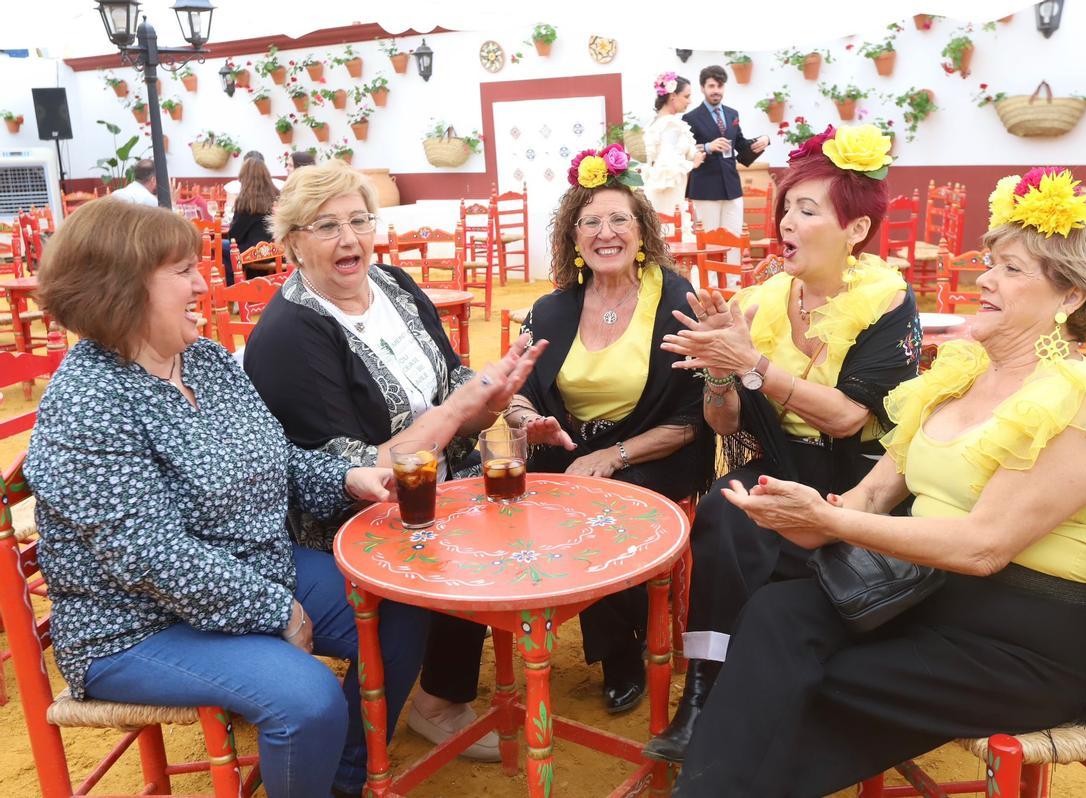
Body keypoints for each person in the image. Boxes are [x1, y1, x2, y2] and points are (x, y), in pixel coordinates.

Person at [672, 167, 1086, 796]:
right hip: (920, 594)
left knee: (809, 679)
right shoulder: (961, 375)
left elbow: (984, 546)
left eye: (1011, 269)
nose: (985, 278)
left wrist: (830, 521)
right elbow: (868, 496)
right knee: (776, 614)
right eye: (992, 261)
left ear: (1072, 299)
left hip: (1020, 642)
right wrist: (793, 512)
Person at [24, 198, 529, 797]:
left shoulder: (205, 360)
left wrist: (346, 477)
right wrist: (273, 610)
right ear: (120, 288)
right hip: (135, 626)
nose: (202, 281)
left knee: (406, 596)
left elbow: (278, 457)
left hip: (255, 566)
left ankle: (339, 778)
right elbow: (145, 555)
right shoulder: (87, 400)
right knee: (306, 700)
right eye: (182, 270)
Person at [644, 124, 920, 763]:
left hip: (859, 479)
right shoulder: (763, 299)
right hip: (781, 461)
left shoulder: (886, 300)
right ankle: (705, 689)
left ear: (855, 231)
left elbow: (851, 417)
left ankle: (774, 689)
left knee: (761, 545)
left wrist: (757, 365)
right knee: (722, 505)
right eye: (785, 208)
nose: (785, 222)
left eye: (806, 209)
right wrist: (718, 369)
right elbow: (723, 423)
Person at [244, 159, 530, 762]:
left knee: (512, 501)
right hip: (350, 516)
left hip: (431, 483)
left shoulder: (395, 283)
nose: (350, 239)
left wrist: (508, 403)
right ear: (292, 243)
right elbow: (358, 468)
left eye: (359, 220)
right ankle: (424, 708)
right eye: (326, 227)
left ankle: (439, 692)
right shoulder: (290, 334)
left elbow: (452, 375)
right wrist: (460, 411)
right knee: (472, 528)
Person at [502, 144, 715, 713]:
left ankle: (621, 648)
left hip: (656, 447)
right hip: (573, 447)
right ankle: (535, 608)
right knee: (522, 491)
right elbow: (514, 387)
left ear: (642, 230)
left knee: (601, 502)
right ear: (572, 238)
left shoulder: (676, 300)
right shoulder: (552, 307)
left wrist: (615, 454)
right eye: (589, 221)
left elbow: (693, 418)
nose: (605, 232)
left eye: (619, 218)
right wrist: (531, 421)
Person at [682, 64, 769, 264]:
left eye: (720, 86)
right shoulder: (690, 118)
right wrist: (707, 146)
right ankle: (711, 283)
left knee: (734, 237)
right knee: (709, 240)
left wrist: (763, 141)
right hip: (705, 188)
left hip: (732, 187)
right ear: (703, 88)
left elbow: (740, 146)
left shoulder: (732, 114)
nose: (716, 91)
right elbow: (685, 152)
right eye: (711, 86)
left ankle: (734, 282)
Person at [642, 72, 704, 216]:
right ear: (672, 96)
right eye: (686, 96)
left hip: (658, 186)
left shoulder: (655, 121)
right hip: (667, 190)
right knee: (671, 231)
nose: (690, 101)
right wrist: (693, 164)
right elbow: (668, 162)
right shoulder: (671, 124)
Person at [224, 157, 281, 282]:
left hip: (253, 255)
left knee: (223, 246)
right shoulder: (277, 195)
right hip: (278, 253)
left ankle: (232, 285)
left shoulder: (246, 201)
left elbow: (234, 236)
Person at [223, 150, 284, 224]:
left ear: (244, 168)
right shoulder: (277, 186)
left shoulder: (235, 188)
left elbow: (229, 217)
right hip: (273, 232)